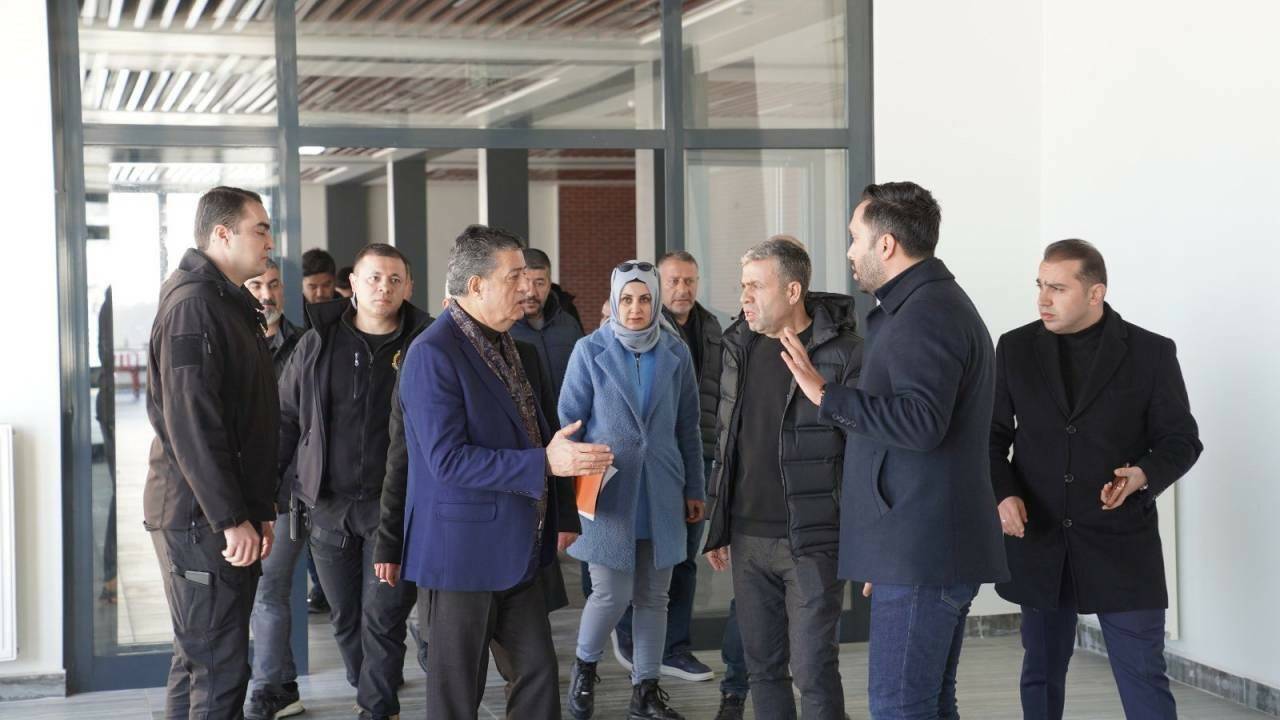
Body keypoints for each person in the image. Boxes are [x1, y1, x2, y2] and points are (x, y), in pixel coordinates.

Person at [779, 181, 1009, 719]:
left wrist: (825, 394)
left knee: (899, 708)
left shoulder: (926, 313)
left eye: (855, 238)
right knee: (926, 705)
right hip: (918, 548)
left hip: (922, 552)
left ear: (886, 245)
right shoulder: (924, 305)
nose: (849, 251)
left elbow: (921, 423)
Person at [400, 224, 611, 719]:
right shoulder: (432, 353)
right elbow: (447, 460)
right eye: (513, 276)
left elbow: (538, 437)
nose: (527, 286)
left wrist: (561, 491)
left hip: (519, 550)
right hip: (460, 555)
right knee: (457, 696)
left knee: (538, 677)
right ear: (476, 286)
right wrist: (545, 463)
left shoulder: (508, 344)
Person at [991, 240, 1202, 720]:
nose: (1043, 299)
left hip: (1121, 542)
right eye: (1040, 285)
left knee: (1144, 677)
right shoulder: (1015, 347)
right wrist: (1004, 494)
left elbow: (1182, 440)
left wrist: (1143, 474)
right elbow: (991, 436)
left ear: (1095, 293)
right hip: (1040, 541)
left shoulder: (1151, 352)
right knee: (1041, 673)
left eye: (1057, 288)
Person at [702, 237, 862, 720]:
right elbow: (726, 439)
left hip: (812, 541)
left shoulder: (845, 353)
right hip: (748, 539)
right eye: (742, 285)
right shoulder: (736, 346)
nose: (744, 296)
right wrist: (719, 523)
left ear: (793, 291)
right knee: (763, 670)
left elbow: (863, 450)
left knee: (813, 669)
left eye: (756, 285)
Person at [277, 244, 430, 720]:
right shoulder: (318, 342)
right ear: (353, 286)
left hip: (396, 509)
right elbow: (286, 416)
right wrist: (275, 490)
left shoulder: (425, 345)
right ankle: (369, 686)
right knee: (345, 618)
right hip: (329, 505)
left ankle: (377, 708)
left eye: (394, 279)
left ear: (408, 287)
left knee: (383, 617)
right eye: (374, 278)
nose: (384, 287)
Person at [143, 186, 278, 719]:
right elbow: (192, 424)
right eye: (260, 229)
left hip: (218, 513)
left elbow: (247, 417)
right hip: (201, 518)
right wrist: (229, 518)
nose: (269, 242)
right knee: (218, 669)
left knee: (198, 658)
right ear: (222, 234)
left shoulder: (226, 302)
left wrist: (257, 509)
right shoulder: (195, 306)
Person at [560, 260, 705, 720]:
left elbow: (689, 427)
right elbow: (568, 425)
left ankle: (645, 690)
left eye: (644, 299)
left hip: (662, 490)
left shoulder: (676, 352)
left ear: (655, 301)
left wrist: (695, 487)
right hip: (608, 493)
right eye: (627, 299)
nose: (636, 308)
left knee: (654, 598)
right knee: (609, 594)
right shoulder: (589, 350)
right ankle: (584, 671)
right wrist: (572, 490)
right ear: (614, 301)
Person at [611, 251, 724, 689]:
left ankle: (674, 648)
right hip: (643, 463)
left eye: (690, 280)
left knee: (684, 559)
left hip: (698, 453)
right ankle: (629, 639)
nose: (683, 289)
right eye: (674, 280)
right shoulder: (637, 328)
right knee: (635, 555)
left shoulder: (711, 327)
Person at [243, 258, 308, 720]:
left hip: (289, 490)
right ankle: (283, 685)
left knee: (268, 587)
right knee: (263, 588)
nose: (267, 295)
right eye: (256, 285)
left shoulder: (307, 344)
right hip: (241, 487)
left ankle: (268, 687)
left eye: (273, 285)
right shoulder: (232, 341)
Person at [509, 247, 584, 397]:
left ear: (550, 284)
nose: (531, 292)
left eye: (539, 283)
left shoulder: (570, 325)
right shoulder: (503, 330)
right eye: (526, 282)